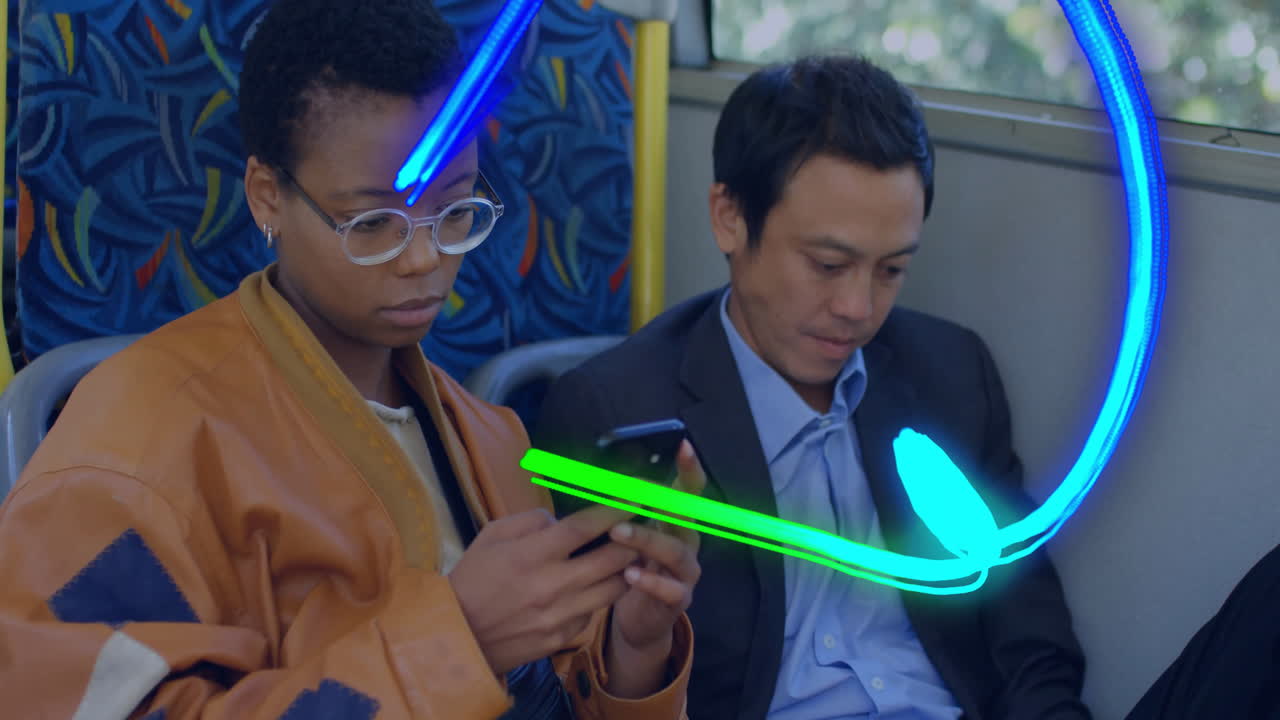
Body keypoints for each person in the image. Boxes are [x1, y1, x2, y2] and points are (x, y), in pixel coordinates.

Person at [0, 0, 702, 717]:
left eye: (456, 212)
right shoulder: (135, 447)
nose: (426, 258)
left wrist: (633, 650)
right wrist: (459, 642)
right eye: (374, 223)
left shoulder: (492, 439)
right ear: (267, 197)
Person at [533, 55, 1089, 719]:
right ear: (729, 218)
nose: (858, 307)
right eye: (829, 265)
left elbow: (1029, 638)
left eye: (891, 271)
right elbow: (595, 686)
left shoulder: (951, 373)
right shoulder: (616, 409)